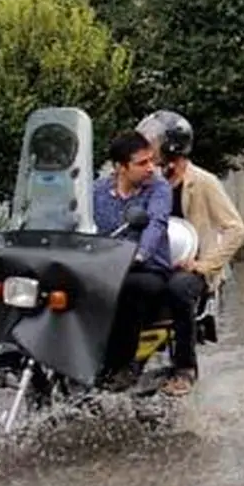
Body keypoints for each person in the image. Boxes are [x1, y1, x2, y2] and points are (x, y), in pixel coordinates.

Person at [135, 109, 244, 396]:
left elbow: (236, 229)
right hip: (155, 264)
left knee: (178, 289)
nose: (149, 149)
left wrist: (204, 264)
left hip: (191, 268)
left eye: (154, 143)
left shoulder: (204, 182)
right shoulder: (147, 183)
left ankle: (184, 369)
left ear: (172, 146)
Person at [92, 129, 173, 391]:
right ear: (120, 167)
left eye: (152, 161)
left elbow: (156, 224)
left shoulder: (158, 189)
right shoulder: (96, 191)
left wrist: (138, 254)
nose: (151, 168)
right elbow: (76, 220)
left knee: (129, 289)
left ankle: (120, 366)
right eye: (142, 163)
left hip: (146, 269)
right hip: (104, 268)